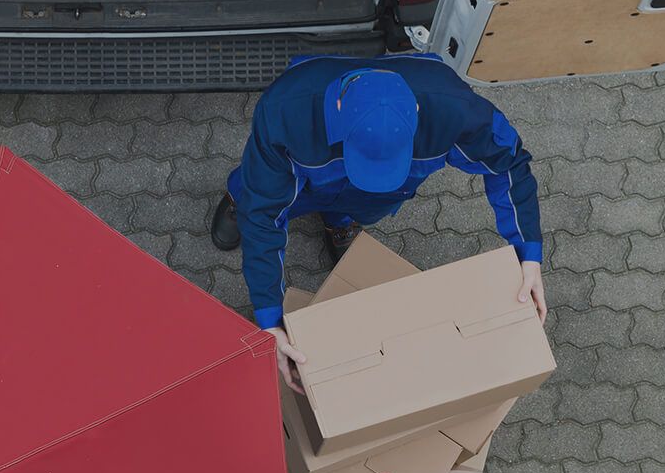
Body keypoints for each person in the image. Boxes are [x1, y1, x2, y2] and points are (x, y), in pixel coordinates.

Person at [210, 54, 547, 384]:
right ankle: (236, 200)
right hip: (303, 177)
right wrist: (270, 316)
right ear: (338, 109)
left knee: (366, 205)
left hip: (380, 196)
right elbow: (265, 213)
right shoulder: (285, 111)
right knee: (258, 193)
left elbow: (509, 163)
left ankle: (339, 220)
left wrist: (527, 253)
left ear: (416, 110)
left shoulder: (454, 107)